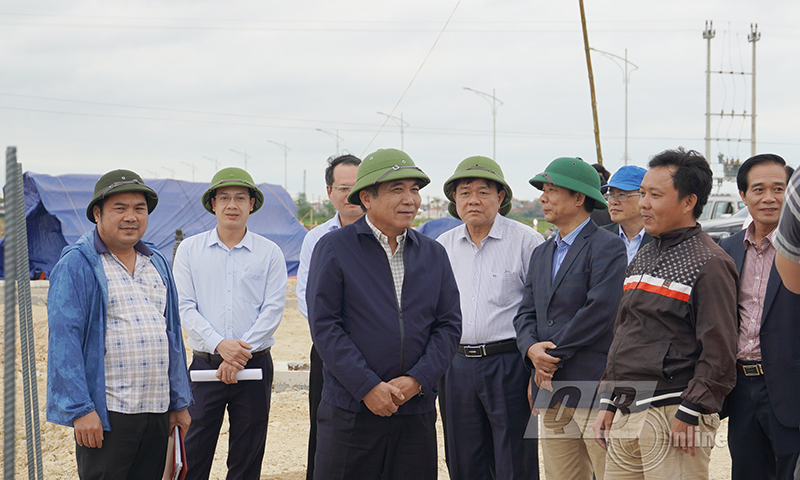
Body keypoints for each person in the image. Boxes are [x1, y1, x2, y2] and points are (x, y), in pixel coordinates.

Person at [306, 148, 462, 480]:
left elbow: (448, 325)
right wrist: (367, 386)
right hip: (351, 411)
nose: (411, 199)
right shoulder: (335, 249)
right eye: (398, 189)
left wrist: (417, 380)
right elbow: (325, 326)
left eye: (415, 189)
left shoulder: (433, 254)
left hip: (414, 410)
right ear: (367, 197)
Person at [593, 148, 739, 479]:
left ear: (688, 202)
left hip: (674, 413)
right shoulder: (642, 256)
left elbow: (720, 349)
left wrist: (691, 411)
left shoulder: (710, 262)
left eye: (654, 195)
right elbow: (624, 333)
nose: (642, 203)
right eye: (642, 193)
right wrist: (607, 401)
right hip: (626, 409)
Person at [46, 169, 192, 479]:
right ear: (97, 213)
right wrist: (80, 409)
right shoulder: (79, 263)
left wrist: (178, 402)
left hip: (155, 410)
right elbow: (64, 341)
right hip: (108, 414)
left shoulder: (157, 262)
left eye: (139, 208)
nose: (131, 216)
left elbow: (172, 337)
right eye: (120, 208)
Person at [514, 156, 627, 480]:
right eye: (543, 190)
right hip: (549, 388)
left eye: (551, 190)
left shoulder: (607, 247)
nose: (542, 198)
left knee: (610, 473)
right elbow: (526, 311)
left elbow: (600, 311)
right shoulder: (541, 252)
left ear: (579, 198)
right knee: (562, 474)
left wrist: (549, 354)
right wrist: (530, 351)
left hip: (591, 383)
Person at [173, 167, 287, 480]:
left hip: (254, 366)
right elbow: (185, 306)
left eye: (240, 198)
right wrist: (221, 346)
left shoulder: (269, 253)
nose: (232, 205)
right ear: (213, 204)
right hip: (204, 366)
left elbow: (273, 309)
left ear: (252, 204)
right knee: (192, 452)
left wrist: (238, 355)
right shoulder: (190, 251)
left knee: (247, 454)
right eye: (224, 197)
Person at [437, 156, 543, 480]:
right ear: (455, 199)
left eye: (484, 192)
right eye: (465, 192)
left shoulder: (527, 242)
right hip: (456, 366)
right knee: (463, 459)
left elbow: (540, 308)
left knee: (514, 460)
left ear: (501, 198)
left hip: (509, 363)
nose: (473, 200)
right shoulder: (443, 246)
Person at [718, 154, 800, 480]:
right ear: (743, 196)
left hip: (791, 389)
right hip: (742, 389)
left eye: (779, 188)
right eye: (758, 189)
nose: (769, 197)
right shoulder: (727, 249)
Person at [295, 153, 363, 480]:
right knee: (325, 426)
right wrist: (335, 341)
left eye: (356, 186)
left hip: (378, 352)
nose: (349, 196)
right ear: (328, 191)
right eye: (342, 187)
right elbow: (306, 297)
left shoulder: (387, 233)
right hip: (329, 351)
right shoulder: (316, 238)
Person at [600, 165, 653, 264]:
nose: (614, 201)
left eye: (622, 195)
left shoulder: (662, 239)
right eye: (611, 195)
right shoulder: (599, 238)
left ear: (644, 196)